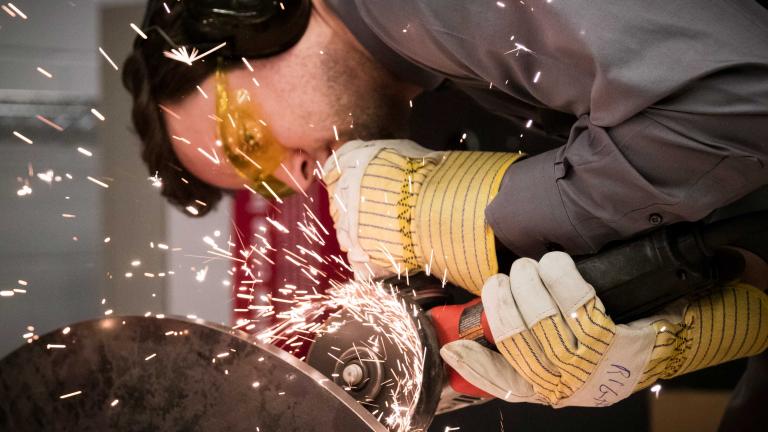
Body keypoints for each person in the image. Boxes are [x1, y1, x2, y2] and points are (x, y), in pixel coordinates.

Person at [122, 0, 768, 427]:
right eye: (266, 181)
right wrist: (689, 331)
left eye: (250, 141)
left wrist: (479, 216)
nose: (298, 175)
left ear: (257, 17)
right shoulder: (434, 74)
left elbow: (741, 102)